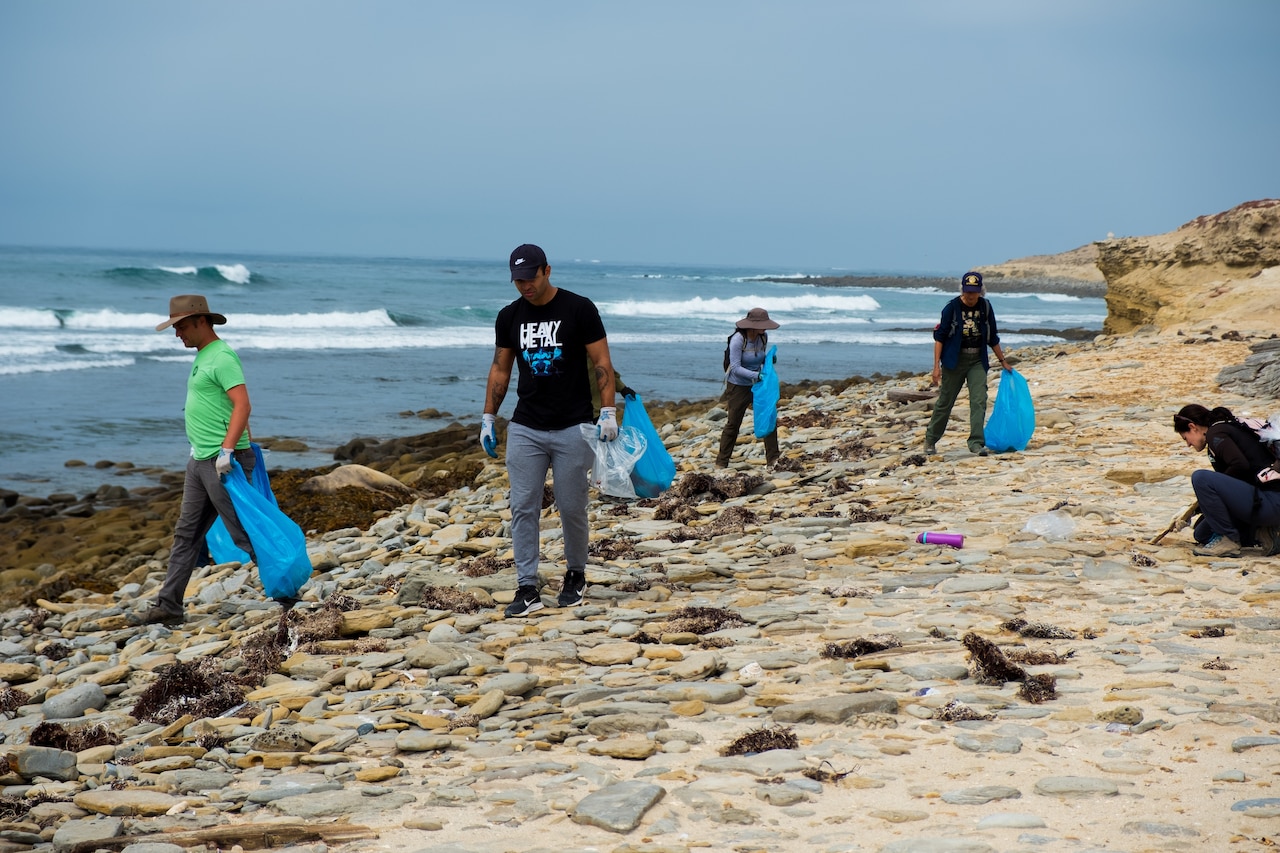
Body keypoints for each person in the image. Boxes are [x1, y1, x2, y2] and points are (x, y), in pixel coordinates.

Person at [480, 244, 617, 617]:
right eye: (517, 279)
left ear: (547, 271)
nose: (524, 285)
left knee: (572, 507)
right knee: (523, 507)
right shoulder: (509, 317)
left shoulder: (579, 309)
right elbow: (501, 369)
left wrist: (608, 411)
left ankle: (575, 574)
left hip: (574, 425)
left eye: (529, 278)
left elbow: (601, 361)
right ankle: (527, 587)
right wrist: (488, 417)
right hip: (526, 426)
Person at [140, 295, 257, 625]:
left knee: (246, 532)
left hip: (223, 463)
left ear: (202, 322)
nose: (178, 334)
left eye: (181, 326)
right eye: (175, 328)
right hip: (201, 460)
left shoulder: (222, 357)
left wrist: (230, 450)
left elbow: (243, 405)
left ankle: (288, 588)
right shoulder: (204, 356)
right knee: (187, 535)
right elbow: (224, 407)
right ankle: (169, 605)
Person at [1172, 404, 1280, 557]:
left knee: (1201, 478)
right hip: (1262, 500)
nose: (1188, 444)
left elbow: (1239, 465)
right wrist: (1195, 509)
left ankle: (1229, 541)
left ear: (1193, 427)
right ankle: (1264, 535)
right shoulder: (1228, 429)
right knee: (1202, 533)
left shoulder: (1216, 433)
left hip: (1271, 500)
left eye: (1185, 437)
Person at [924, 271, 1012, 456]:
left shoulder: (986, 307)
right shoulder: (952, 308)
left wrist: (1003, 361)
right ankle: (931, 440)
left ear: (981, 291)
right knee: (945, 402)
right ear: (962, 290)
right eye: (967, 292)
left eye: (974, 292)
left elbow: (993, 337)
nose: (971, 296)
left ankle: (976, 443)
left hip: (977, 361)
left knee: (979, 401)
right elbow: (939, 338)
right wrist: (936, 367)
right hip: (954, 362)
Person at [716, 307, 780, 469]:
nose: (765, 327)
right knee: (733, 423)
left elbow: (758, 358)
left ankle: (773, 459)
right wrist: (756, 376)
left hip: (758, 384)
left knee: (768, 418)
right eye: (763, 324)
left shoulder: (763, 336)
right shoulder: (738, 339)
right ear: (752, 325)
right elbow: (735, 367)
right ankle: (721, 462)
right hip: (738, 386)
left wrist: (769, 359)